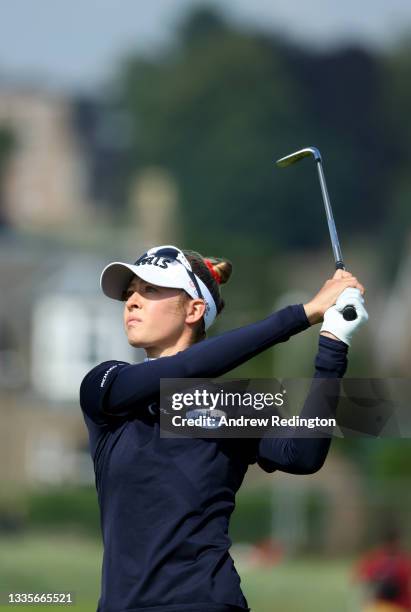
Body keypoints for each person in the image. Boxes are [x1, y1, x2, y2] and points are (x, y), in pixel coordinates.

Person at [80, 244, 368, 612]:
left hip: (209, 601)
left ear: (194, 310)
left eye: (150, 289)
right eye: (130, 291)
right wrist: (303, 314)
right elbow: (182, 372)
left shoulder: (227, 405)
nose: (132, 300)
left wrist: (333, 345)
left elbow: (303, 455)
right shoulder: (106, 384)